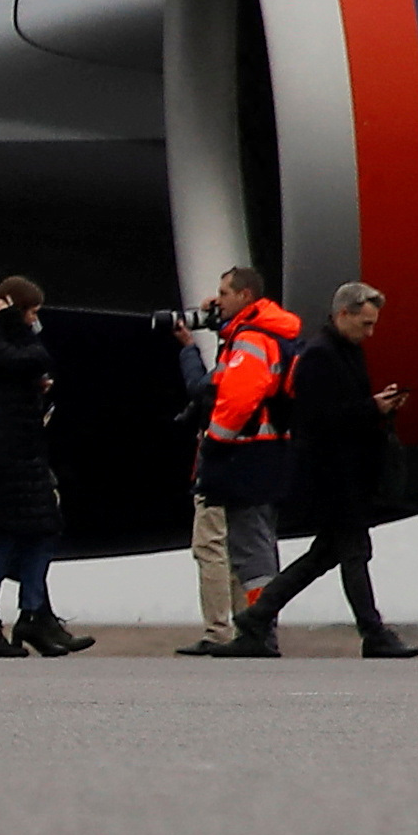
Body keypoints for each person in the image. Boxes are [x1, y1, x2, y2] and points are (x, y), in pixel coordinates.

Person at [231, 281, 418, 658]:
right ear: (343, 315)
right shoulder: (320, 356)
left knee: (325, 556)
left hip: (346, 474)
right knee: (353, 554)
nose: (370, 332)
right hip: (332, 475)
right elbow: (318, 419)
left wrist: (377, 406)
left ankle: (257, 617)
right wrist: (373, 408)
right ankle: (373, 633)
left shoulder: (346, 351)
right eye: (365, 324)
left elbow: (345, 409)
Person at [0, 277, 89, 658]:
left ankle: (31, 614)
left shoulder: (1, 339)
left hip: (20, 451)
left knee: (43, 531)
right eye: (30, 312)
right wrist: (15, 328)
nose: (34, 321)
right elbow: (33, 357)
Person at [180, 267, 303, 657]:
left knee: (251, 550)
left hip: (246, 456)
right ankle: (256, 626)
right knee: (256, 545)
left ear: (246, 295)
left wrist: (215, 441)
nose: (218, 300)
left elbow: (236, 398)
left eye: (224, 293)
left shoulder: (251, 340)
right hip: (267, 454)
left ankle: (257, 630)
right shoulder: (269, 334)